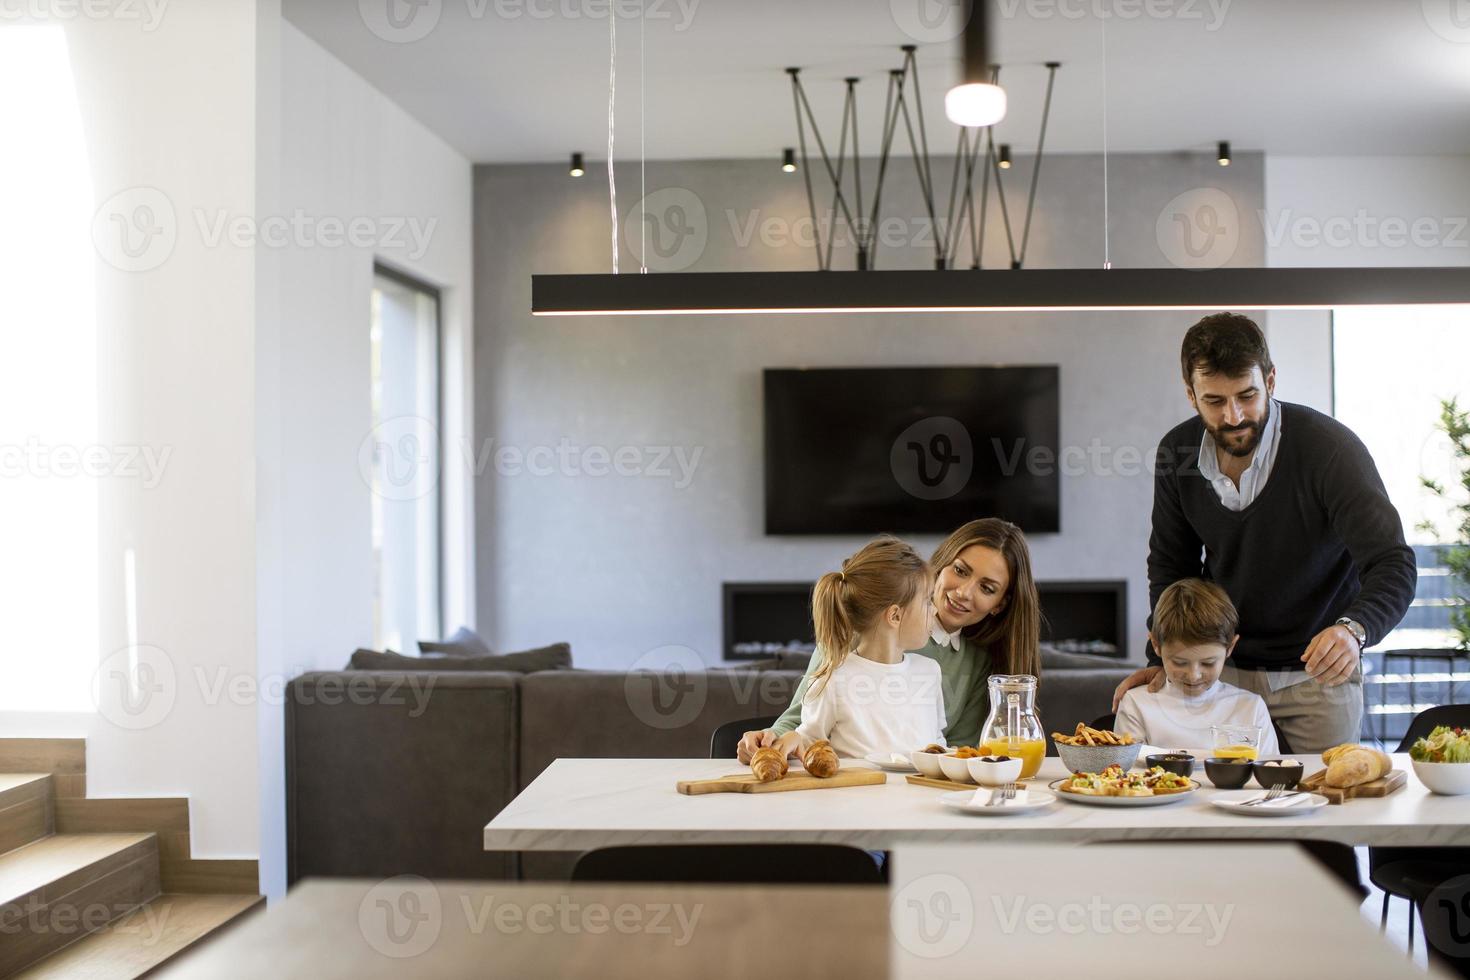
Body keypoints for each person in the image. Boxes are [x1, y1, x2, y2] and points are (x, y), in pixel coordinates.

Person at [1113, 313, 1416, 753]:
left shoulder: (1328, 450)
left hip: (1317, 678)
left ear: (1270, 381)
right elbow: (1171, 567)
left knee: (1320, 808)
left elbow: (1393, 562)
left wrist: (1354, 629)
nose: (1233, 416)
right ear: (1190, 394)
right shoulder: (1176, 452)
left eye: (1247, 395)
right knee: (1216, 809)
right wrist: (1161, 655)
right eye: (1214, 401)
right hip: (1223, 673)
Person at [737, 518, 1041, 763]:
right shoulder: (858, 629)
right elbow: (802, 722)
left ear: (999, 604)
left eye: (987, 588)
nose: (963, 592)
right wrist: (767, 740)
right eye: (960, 571)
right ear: (942, 564)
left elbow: (956, 751)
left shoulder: (976, 663)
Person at [764, 536, 945, 760]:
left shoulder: (929, 671)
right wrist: (794, 738)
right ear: (895, 616)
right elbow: (810, 740)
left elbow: (937, 742)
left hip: (919, 794)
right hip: (857, 794)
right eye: (928, 601)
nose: (935, 610)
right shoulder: (833, 679)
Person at [1114, 578, 1277, 755]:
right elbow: (1125, 775)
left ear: (1230, 647)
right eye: (1179, 662)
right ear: (1156, 645)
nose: (1193, 675)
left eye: (1208, 663)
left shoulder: (1251, 708)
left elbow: (1271, 773)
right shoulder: (1136, 704)